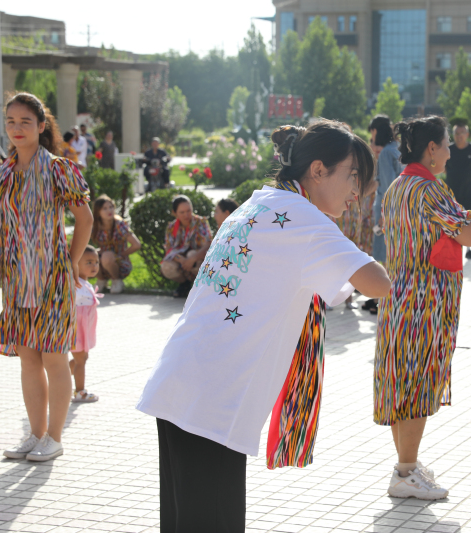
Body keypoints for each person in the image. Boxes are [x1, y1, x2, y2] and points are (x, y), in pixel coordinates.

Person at [136, 120, 390, 532]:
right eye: (354, 175)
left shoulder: (259, 202)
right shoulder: (305, 220)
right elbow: (377, 282)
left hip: (181, 384)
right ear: (319, 170)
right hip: (213, 402)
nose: (358, 191)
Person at [375, 116, 471, 500]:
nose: (451, 151)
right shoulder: (430, 190)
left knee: (400, 380)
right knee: (418, 384)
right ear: (432, 149)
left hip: (397, 294)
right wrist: (465, 220)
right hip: (426, 299)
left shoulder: (398, 187)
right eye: (446, 145)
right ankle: (405, 472)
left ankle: (406, 464)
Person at [0, 93, 93, 462]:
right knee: (28, 360)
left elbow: (85, 219)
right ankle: (34, 436)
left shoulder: (58, 169)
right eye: (11, 122)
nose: (17, 129)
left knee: (53, 357)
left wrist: (70, 260)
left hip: (51, 280)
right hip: (16, 281)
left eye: (25, 122)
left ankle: (54, 437)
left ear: (41, 126)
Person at [364, 114, 402, 315]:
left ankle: (385, 301)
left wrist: (383, 215)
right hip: (398, 212)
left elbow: (388, 187)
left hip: (386, 213)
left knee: (383, 258)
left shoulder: (386, 154)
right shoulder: (397, 149)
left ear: (376, 131)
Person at [160, 195, 212, 298]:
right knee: (166, 266)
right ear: (175, 213)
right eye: (182, 212)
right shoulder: (171, 227)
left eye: (189, 211)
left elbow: (208, 245)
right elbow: (169, 249)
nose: (186, 215)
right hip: (181, 260)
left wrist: (192, 258)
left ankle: (201, 288)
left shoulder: (200, 222)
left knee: (191, 254)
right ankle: (184, 284)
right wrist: (183, 261)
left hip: (198, 258)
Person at [444, 123, 471, 259]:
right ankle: (452, 248)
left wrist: (468, 179)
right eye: (456, 133)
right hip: (452, 192)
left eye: (462, 133)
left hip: (468, 190)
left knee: (468, 219)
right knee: (452, 219)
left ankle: (468, 250)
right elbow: (444, 168)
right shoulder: (449, 149)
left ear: (467, 134)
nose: (459, 136)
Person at [91, 195, 142, 294]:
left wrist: (122, 254)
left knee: (107, 256)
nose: (109, 210)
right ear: (98, 212)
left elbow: (136, 244)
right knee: (86, 254)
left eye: (111, 207)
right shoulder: (95, 226)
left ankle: (116, 280)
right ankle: (101, 280)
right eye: (104, 208)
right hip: (103, 261)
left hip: (120, 263)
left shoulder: (119, 224)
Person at [70, 245, 101, 403]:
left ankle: (58, 374)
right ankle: (80, 392)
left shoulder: (84, 283)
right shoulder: (75, 284)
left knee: (80, 358)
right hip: (76, 329)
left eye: (96, 262)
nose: (94, 266)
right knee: (81, 359)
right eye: (88, 262)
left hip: (84, 329)